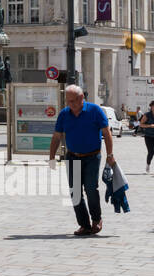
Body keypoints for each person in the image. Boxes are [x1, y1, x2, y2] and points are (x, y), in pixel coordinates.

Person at [49, 85, 114, 236]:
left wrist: (110, 155)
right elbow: (57, 136)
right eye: (68, 101)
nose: (70, 104)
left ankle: (96, 220)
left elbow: (107, 133)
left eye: (73, 101)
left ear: (81, 98)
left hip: (92, 156)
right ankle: (84, 225)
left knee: (91, 189)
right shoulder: (64, 114)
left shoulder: (95, 111)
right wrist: (51, 157)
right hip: (72, 157)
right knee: (75, 192)